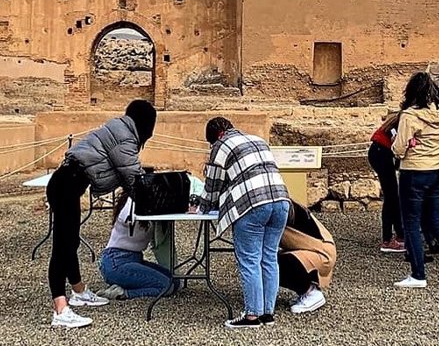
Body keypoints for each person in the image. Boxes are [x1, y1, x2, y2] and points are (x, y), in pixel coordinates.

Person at [46, 99, 157, 328]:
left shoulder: (120, 129)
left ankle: (79, 292)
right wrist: (154, 204)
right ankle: (60, 309)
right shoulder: (125, 137)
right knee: (62, 246)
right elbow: (132, 177)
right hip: (67, 184)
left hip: (69, 183)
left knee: (71, 242)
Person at [198, 117, 290, 329]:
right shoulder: (257, 140)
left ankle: (251, 316)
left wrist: (201, 207)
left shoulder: (221, 145)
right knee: (269, 258)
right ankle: (268, 313)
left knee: (250, 260)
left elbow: (213, 185)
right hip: (281, 201)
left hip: (253, 205)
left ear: (217, 136)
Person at [391, 72, 439, 289]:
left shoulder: (409, 115)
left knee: (412, 224)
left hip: (414, 172)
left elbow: (399, 149)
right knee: (435, 222)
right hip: (436, 173)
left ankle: (418, 275)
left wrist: (398, 144)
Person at [97, 192, 176, 300]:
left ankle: (123, 285)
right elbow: (128, 216)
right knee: (167, 286)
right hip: (115, 261)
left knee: (174, 280)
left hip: (134, 259)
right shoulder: (129, 204)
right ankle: (123, 292)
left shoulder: (153, 206)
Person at [278, 200, 336, 314]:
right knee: (269, 260)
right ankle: (306, 290)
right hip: (318, 250)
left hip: (322, 253)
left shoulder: (284, 207)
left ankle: (311, 292)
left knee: (274, 263)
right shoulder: (284, 203)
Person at [368, 112, 405, 253]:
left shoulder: (394, 122)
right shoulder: (400, 123)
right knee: (391, 198)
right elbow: (398, 145)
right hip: (381, 154)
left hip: (378, 152)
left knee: (392, 197)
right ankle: (388, 239)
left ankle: (397, 234)